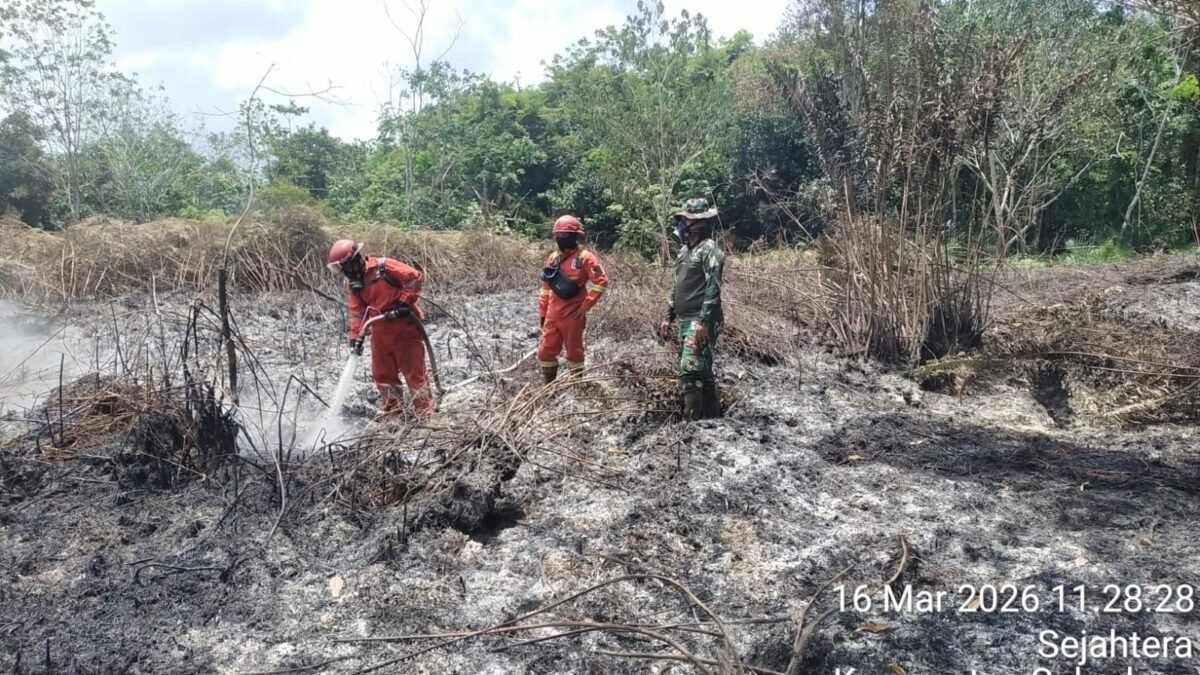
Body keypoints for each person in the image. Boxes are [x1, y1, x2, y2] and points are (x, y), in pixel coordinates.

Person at [327, 239, 433, 420]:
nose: (348, 273)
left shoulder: (384, 267)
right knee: (383, 376)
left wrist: (404, 302)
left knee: (414, 375)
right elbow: (358, 313)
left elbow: (414, 278)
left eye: (348, 267)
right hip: (380, 331)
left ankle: (425, 416)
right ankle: (395, 417)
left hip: (405, 328)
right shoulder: (353, 285)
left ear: (356, 259)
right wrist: (355, 337)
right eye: (344, 270)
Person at [659, 198, 725, 420]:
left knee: (689, 368)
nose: (683, 225)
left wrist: (704, 321)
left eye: (687, 220)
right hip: (686, 319)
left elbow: (713, 288)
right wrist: (668, 317)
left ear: (699, 223)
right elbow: (676, 286)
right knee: (701, 371)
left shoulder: (710, 250)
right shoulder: (685, 252)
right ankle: (713, 421)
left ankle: (691, 424)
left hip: (699, 320)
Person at [536, 215, 609, 383]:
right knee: (545, 351)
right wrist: (543, 312)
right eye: (559, 236)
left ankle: (577, 386)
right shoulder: (553, 258)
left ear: (575, 237)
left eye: (565, 235)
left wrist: (585, 306)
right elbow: (546, 288)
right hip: (552, 314)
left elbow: (601, 281)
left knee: (574, 352)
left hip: (573, 314)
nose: (561, 239)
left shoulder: (586, 258)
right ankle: (549, 387)